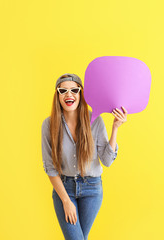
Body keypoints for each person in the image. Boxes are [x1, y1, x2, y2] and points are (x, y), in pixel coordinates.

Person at [41, 73, 127, 240]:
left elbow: (107, 161)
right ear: (57, 95)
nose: (69, 94)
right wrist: (66, 201)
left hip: (92, 189)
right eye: (63, 90)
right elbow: (50, 167)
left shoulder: (95, 121)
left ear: (81, 94)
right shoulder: (49, 124)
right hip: (64, 189)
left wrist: (115, 128)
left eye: (74, 90)